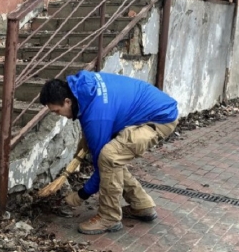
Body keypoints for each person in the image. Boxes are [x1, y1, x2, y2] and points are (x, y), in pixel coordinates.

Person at [39, 71, 179, 234]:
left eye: (57, 111)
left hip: (160, 119)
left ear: (67, 101)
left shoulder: (96, 115)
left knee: (108, 158)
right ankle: (141, 206)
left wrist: (81, 195)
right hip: (150, 111)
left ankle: (109, 218)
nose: (59, 115)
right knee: (113, 158)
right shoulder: (83, 87)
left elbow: (101, 164)